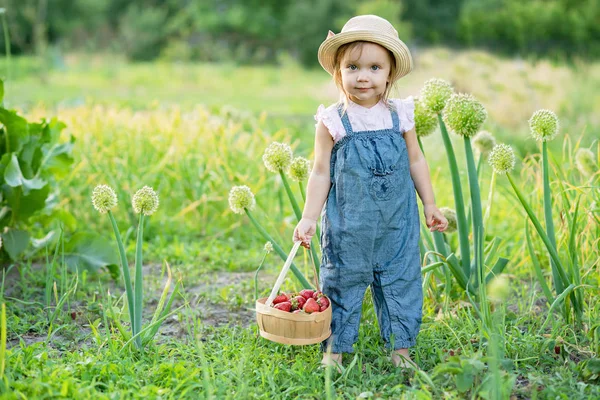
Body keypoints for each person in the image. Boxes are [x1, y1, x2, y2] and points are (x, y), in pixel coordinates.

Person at [292, 15, 448, 371]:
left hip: (398, 225)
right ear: (338, 72)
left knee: (401, 281)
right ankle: (334, 351)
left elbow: (416, 160)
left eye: (374, 67)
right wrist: (308, 216)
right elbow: (319, 173)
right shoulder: (333, 121)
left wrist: (430, 204)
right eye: (353, 67)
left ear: (390, 73)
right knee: (341, 282)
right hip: (350, 227)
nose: (363, 76)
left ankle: (401, 351)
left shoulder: (400, 115)